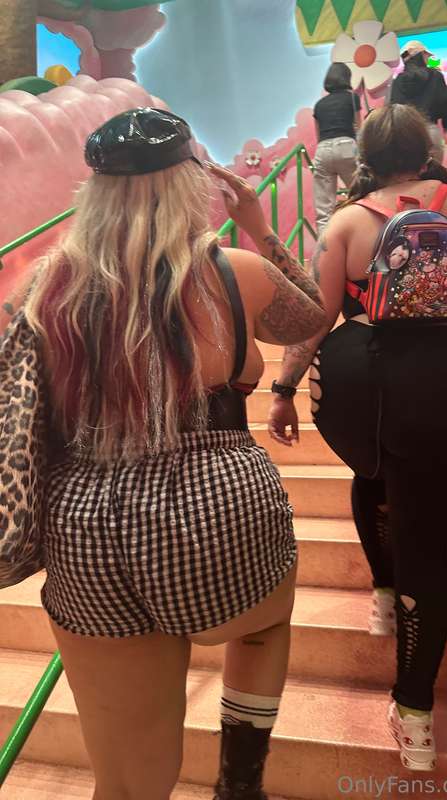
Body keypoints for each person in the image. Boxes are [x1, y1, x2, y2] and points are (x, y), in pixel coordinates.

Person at [24, 108, 326, 800]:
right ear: (192, 182)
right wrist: (257, 225)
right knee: (263, 623)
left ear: (94, 193)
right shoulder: (235, 273)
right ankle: (239, 783)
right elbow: (312, 316)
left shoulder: (46, 289)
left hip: (86, 529)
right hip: (217, 508)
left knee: (128, 783)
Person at [267, 104, 447, 772]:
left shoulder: (344, 221)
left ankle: (381, 594)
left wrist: (284, 387)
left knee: (371, 472)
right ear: (427, 149)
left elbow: (316, 316)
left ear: (365, 157)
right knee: (427, 546)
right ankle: (416, 715)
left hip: (354, 376)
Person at [312, 62, 361, 234]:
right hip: (346, 146)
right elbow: (359, 128)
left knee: (324, 209)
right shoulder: (352, 98)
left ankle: (324, 247)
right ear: (347, 78)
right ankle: (360, 237)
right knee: (360, 196)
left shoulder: (319, 104)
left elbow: (318, 135)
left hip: (323, 149)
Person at [389, 40, 447, 162]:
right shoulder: (435, 75)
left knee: (412, 172)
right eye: (425, 54)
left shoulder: (398, 80)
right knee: (434, 171)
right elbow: (444, 103)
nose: (428, 58)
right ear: (420, 55)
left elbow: (393, 109)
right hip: (430, 132)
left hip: (407, 136)